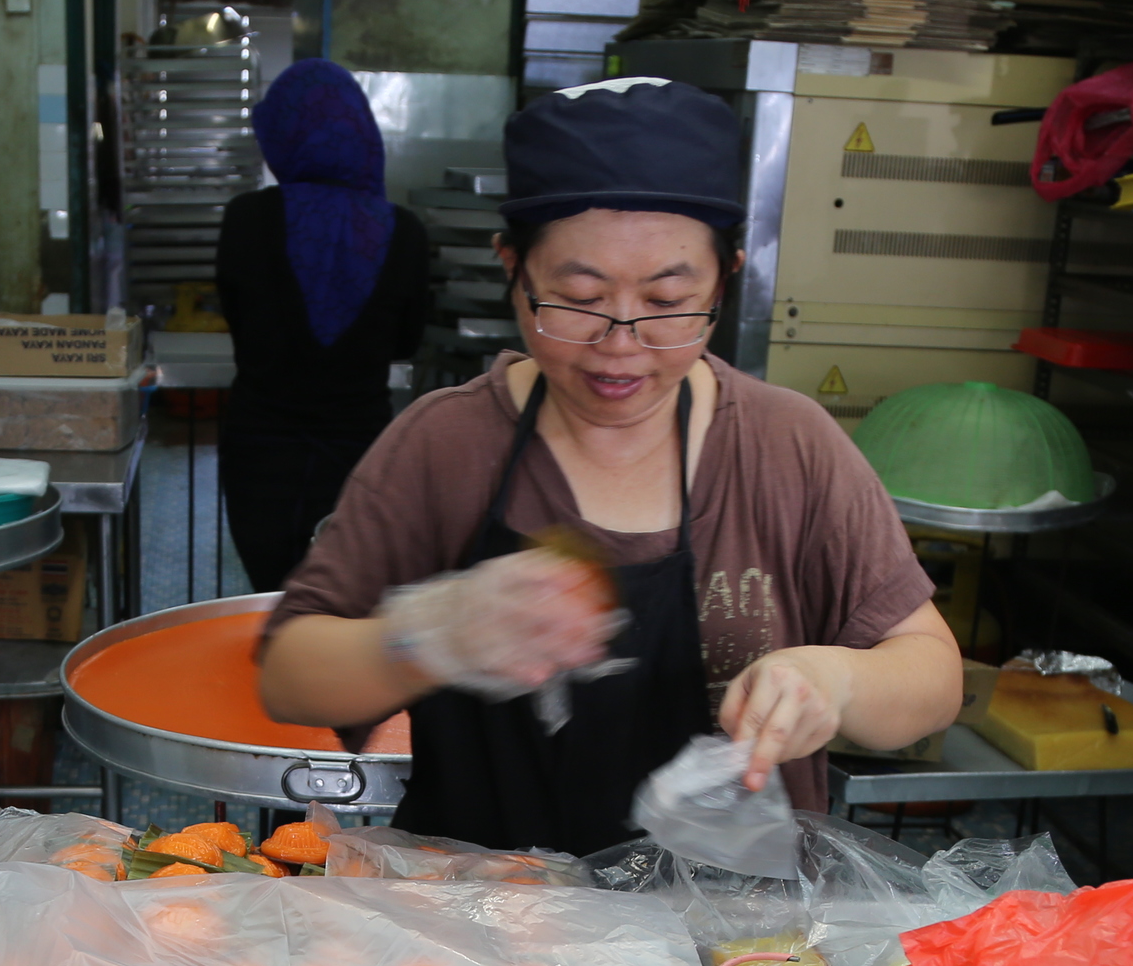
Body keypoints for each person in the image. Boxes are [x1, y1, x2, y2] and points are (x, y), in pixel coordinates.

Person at [256, 77, 961, 856]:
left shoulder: (784, 445)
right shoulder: (448, 444)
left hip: (729, 950)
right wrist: (431, 635)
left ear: (725, 276)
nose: (621, 343)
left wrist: (839, 683)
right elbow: (289, 675)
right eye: (578, 297)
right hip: (481, 934)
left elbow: (932, 673)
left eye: (668, 301)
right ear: (513, 271)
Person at [214, 60, 431, 598]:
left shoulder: (245, 219)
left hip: (258, 452)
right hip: (360, 451)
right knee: (342, 601)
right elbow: (405, 343)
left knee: (267, 599)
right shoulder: (404, 233)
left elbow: (238, 324)